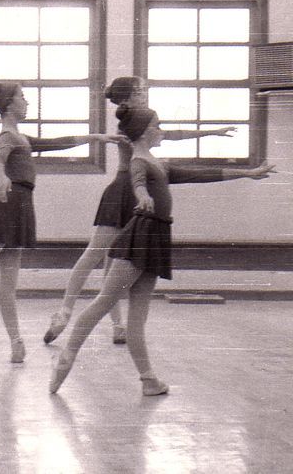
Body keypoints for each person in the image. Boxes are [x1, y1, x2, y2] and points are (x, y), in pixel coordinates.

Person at [49, 105, 274, 396]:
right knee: (104, 300)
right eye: (157, 125)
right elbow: (137, 183)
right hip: (141, 236)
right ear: (144, 131)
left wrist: (247, 173)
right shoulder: (139, 161)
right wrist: (142, 197)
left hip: (156, 238)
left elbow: (200, 175)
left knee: (137, 318)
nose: (161, 130)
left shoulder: (159, 163)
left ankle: (148, 380)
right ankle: (67, 357)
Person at [0, 82, 125, 364]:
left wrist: (96, 137)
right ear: (9, 104)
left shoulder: (21, 137)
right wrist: (1, 178)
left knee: (7, 285)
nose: (27, 102)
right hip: (8, 206)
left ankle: (16, 342)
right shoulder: (7, 135)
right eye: (23, 97)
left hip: (21, 208)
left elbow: (57, 143)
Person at [43, 76, 236, 345]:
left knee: (113, 263)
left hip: (133, 189)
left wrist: (209, 132)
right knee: (95, 254)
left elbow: (172, 135)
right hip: (123, 191)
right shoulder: (130, 124)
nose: (144, 94)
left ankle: (118, 325)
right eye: (140, 91)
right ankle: (64, 311)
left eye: (144, 90)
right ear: (128, 97)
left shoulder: (144, 121)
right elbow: (165, 139)